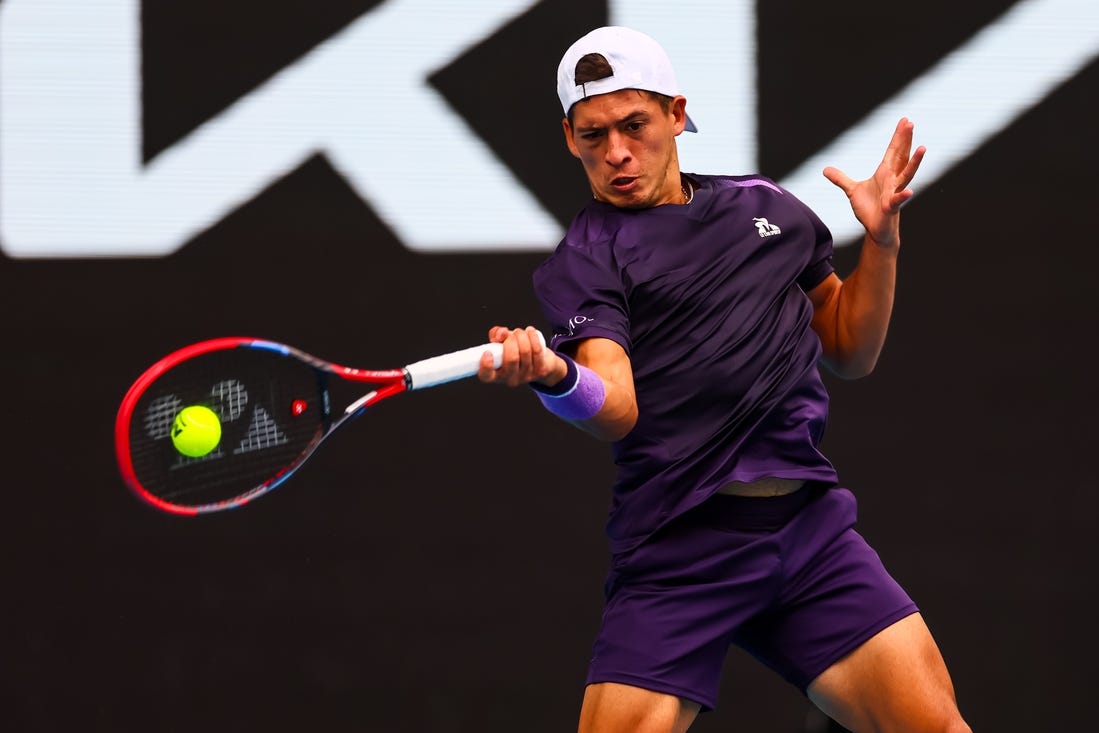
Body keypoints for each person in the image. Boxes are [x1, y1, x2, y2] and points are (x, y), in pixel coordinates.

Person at [477, 26, 971, 733]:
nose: (614, 153)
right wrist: (556, 375)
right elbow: (613, 406)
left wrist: (882, 243)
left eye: (633, 125)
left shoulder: (765, 209)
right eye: (591, 136)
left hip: (808, 537)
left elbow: (848, 347)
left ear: (676, 115)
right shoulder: (588, 258)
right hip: (681, 549)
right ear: (568, 138)